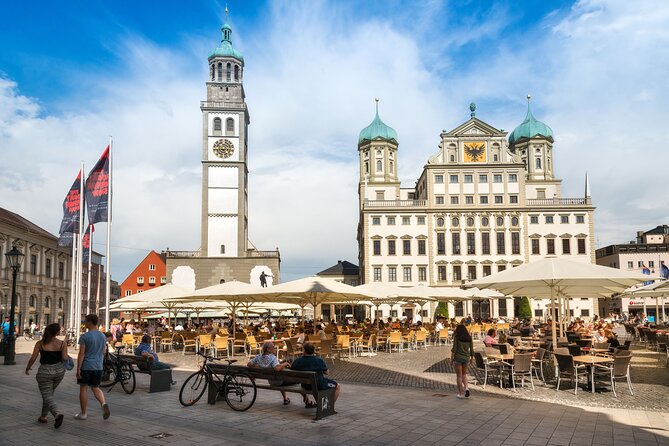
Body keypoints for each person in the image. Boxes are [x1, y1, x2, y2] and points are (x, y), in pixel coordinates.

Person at [25, 323, 68, 428]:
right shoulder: (62, 344)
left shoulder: (40, 343)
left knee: (47, 394)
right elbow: (65, 359)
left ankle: (57, 414)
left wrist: (28, 367)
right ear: (57, 332)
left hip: (44, 372)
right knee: (48, 394)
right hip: (59, 372)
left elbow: (33, 358)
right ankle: (43, 417)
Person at [75, 314, 110, 421]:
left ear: (90, 322)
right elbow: (104, 352)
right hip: (98, 366)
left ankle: (84, 413)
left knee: (83, 388)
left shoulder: (85, 337)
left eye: (85, 321)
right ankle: (103, 403)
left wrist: (78, 369)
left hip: (87, 366)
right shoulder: (103, 336)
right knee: (95, 387)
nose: (84, 323)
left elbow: (81, 354)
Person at [451, 324, 474, 399]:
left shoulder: (457, 337)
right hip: (466, 357)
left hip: (458, 357)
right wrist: (472, 358)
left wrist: (451, 359)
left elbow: (454, 349)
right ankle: (466, 388)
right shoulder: (469, 338)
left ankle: (461, 393)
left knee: (459, 376)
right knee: (464, 374)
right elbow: (472, 349)